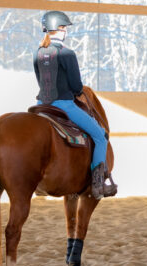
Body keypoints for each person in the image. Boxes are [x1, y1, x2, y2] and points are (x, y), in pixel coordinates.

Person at [33, 10, 117, 200]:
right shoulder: (67, 53)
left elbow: (39, 79)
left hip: (40, 104)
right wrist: (77, 93)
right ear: (59, 29)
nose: (65, 31)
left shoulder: (38, 53)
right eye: (64, 27)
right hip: (63, 105)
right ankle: (97, 183)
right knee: (100, 136)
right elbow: (77, 85)